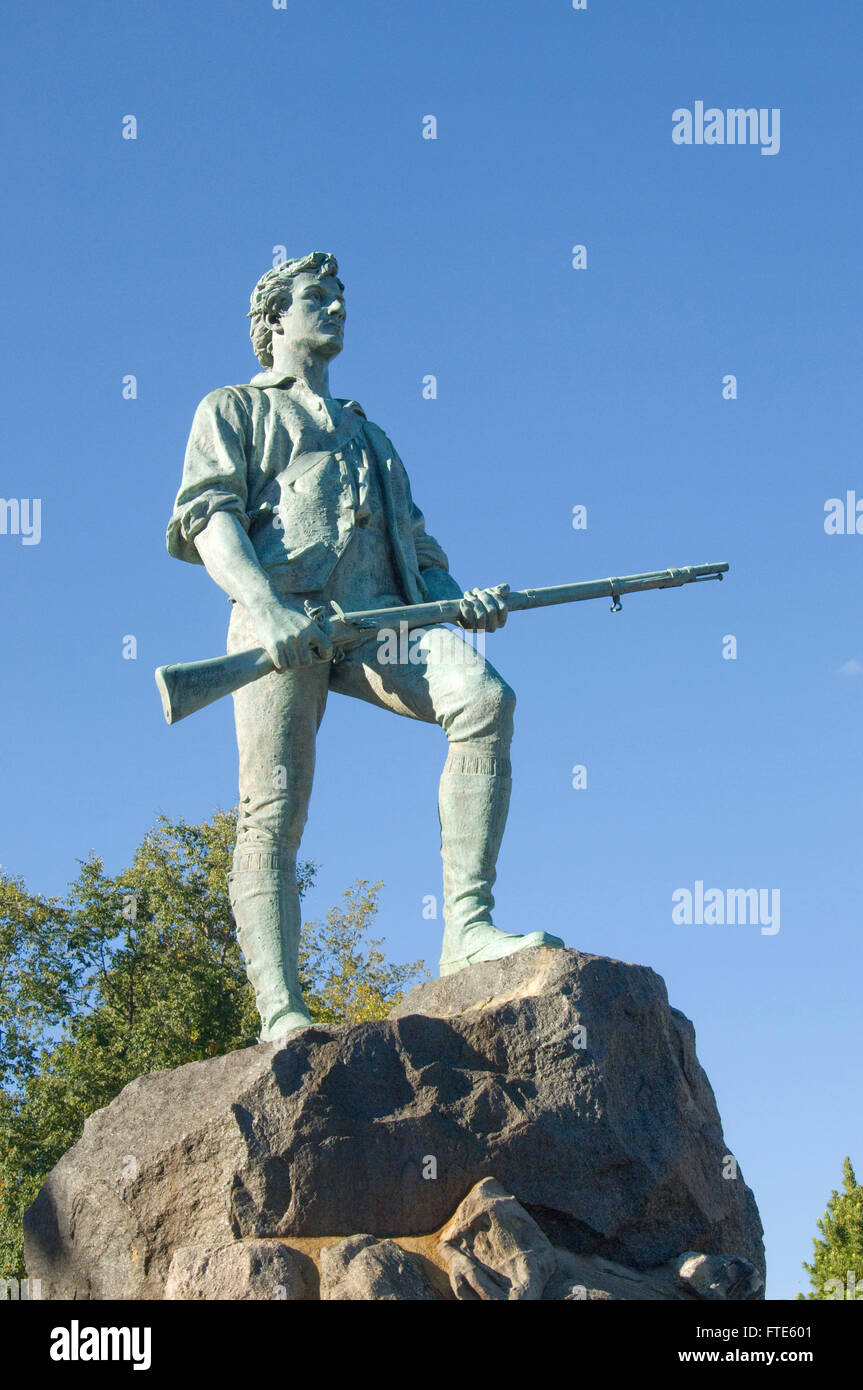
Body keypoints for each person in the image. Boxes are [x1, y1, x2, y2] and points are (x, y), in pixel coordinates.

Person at [167, 252, 563, 1041]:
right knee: (271, 810)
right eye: (318, 297)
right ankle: (281, 1009)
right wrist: (266, 606)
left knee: (484, 698)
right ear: (274, 317)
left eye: (342, 298)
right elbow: (208, 519)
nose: (338, 309)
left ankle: (466, 931)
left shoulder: (371, 433)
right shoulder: (233, 408)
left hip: (382, 625)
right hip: (283, 625)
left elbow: (416, 545)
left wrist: (464, 596)